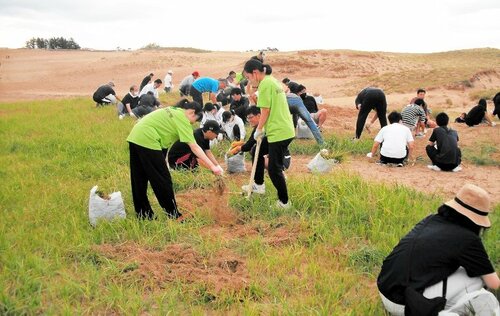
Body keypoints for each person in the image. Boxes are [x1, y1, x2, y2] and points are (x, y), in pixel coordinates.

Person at [377, 183, 499, 316]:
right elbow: (494, 284)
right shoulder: (468, 238)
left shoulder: (431, 220)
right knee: (477, 280)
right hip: (404, 304)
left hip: (385, 290)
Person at [126, 99, 223, 221]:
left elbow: (165, 138)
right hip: (148, 139)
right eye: (194, 121)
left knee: (139, 178)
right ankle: (174, 215)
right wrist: (213, 167)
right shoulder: (182, 119)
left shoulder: (174, 110)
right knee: (163, 179)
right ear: (192, 113)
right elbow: (194, 147)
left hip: (136, 136)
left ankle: (143, 214)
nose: (192, 124)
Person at [241, 59, 295, 208]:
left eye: (248, 77)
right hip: (280, 128)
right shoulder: (272, 81)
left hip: (279, 132)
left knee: (274, 169)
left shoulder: (265, 84)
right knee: (256, 152)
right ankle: (259, 185)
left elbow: (265, 110)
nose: (249, 81)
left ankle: (284, 202)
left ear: (255, 73)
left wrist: (259, 129)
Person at [232, 106, 291, 193]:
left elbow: (248, 145)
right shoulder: (259, 127)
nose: (249, 120)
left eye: (251, 117)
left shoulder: (266, 126)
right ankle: (259, 184)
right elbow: (250, 143)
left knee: (257, 151)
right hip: (275, 156)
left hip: (283, 159)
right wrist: (240, 145)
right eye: (247, 118)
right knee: (255, 150)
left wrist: (239, 148)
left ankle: (279, 174)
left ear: (259, 115)